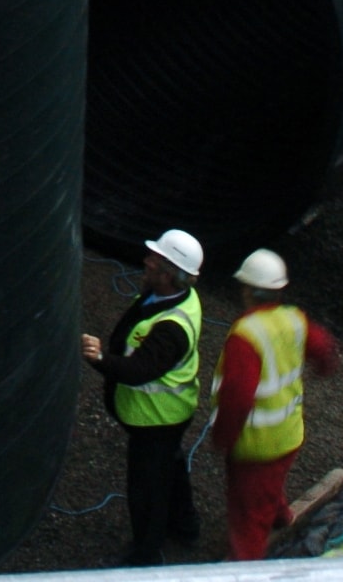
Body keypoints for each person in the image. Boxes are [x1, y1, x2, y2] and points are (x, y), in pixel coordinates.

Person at [82, 229, 207, 564]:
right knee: (172, 466)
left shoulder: (171, 327)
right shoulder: (172, 297)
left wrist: (99, 359)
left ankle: (147, 556)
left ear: (169, 274)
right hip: (167, 416)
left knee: (147, 490)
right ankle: (185, 525)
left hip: (156, 419)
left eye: (155, 259)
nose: (146, 261)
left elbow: (140, 370)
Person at [209, 249, 339, 560]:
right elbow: (323, 349)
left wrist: (223, 436)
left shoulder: (246, 335)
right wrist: (324, 367)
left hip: (256, 445)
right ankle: (281, 515)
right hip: (289, 433)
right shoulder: (294, 318)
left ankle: (247, 567)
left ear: (248, 291)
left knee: (247, 520)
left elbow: (237, 396)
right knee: (270, 483)